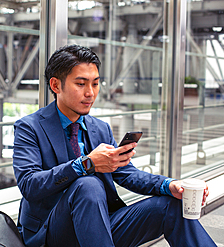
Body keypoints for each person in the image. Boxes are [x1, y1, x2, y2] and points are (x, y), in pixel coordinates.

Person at [12, 44, 216, 247]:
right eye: (81, 84)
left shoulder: (100, 129)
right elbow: (30, 185)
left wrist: (169, 185)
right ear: (56, 85)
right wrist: (86, 164)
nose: (90, 93)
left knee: (171, 205)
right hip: (52, 233)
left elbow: (127, 174)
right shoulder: (29, 127)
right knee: (88, 184)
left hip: (101, 226)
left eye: (95, 83)